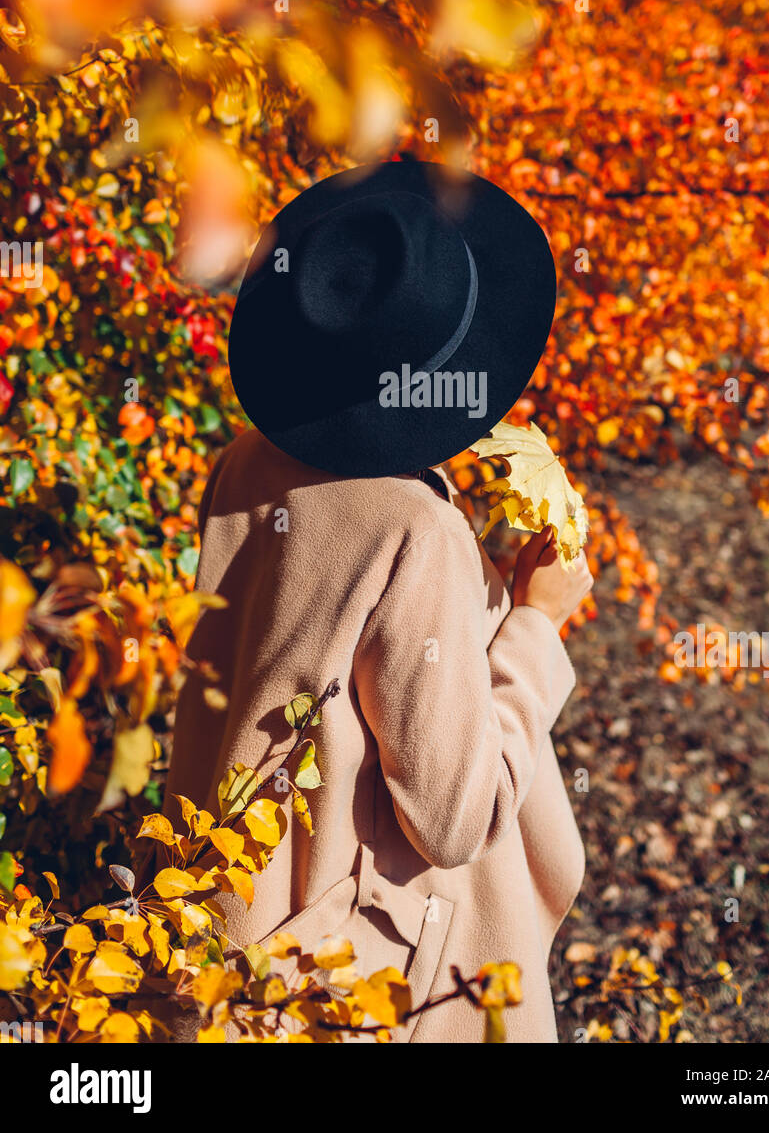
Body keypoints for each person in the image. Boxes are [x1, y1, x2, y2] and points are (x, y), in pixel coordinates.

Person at [164, 158, 593, 1042]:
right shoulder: (417, 535)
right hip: (367, 958)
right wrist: (535, 626)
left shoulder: (247, 462)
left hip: (235, 910)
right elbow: (453, 819)